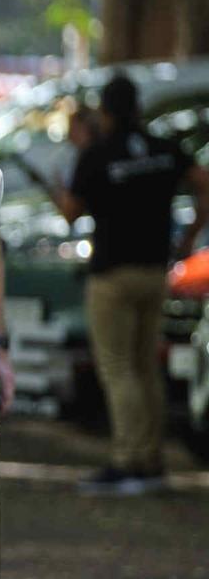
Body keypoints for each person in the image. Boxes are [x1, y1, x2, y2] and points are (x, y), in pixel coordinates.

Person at [52, 75, 209, 492]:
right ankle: (152, 458)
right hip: (156, 272)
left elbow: (70, 211)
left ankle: (129, 460)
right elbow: (203, 183)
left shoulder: (97, 154)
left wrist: (56, 185)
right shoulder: (162, 148)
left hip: (112, 275)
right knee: (144, 366)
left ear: (104, 111)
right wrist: (189, 237)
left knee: (119, 367)